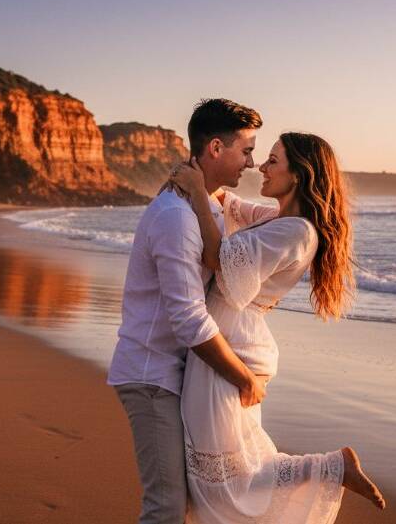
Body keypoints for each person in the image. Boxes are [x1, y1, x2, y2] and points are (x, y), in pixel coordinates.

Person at [169, 132, 386, 523]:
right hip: (231, 341)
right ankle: (330, 467)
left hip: (231, 346)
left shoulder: (298, 232)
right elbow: (232, 206)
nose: (261, 169)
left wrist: (198, 191)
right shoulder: (278, 219)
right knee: (228, 471)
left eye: (272, 160)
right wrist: (203, 175)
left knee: (221, 482)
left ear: (299, 174)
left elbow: (220, 257)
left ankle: (332, 468)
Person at [107, 98, 270, 524]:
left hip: (180, 376)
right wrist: (244, 377)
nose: (252, 163)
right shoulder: (175, 216)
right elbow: (187, 317)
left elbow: (282, 220)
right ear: (216, 148)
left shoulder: (212, 204)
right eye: (247, 150)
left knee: (195, 504)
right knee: (165, 509)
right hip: (151, 374)